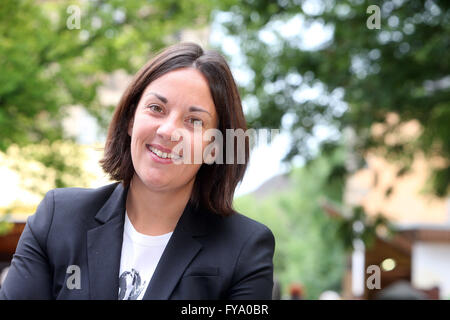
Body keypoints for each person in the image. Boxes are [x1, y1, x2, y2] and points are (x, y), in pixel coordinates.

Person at [0, 42, 275, 300]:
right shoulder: (57, 219)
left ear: (215, 146)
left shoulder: (245, 251)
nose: (167, 131)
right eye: (156, 108)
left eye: (193, 121)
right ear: (132, 119)